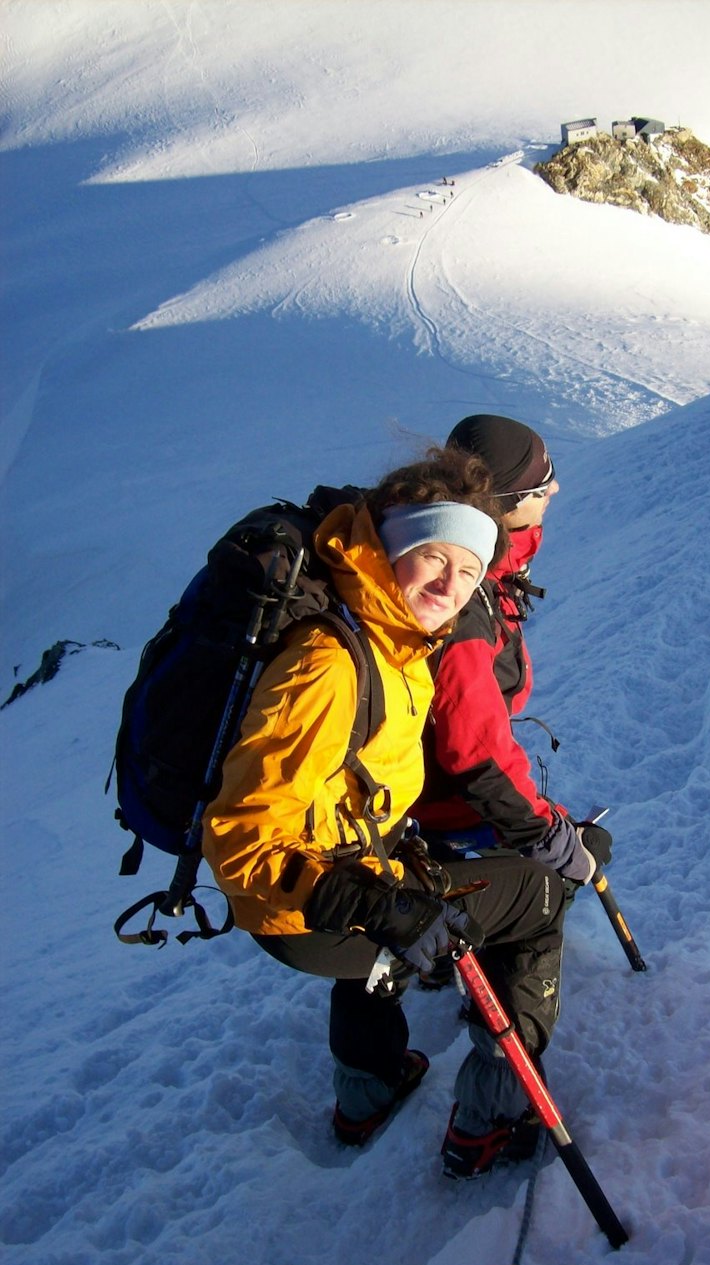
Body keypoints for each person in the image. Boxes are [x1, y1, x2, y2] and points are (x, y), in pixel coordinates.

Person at [201, 447, 568, 1178]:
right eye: (435, 558)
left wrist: (389, 893)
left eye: (469, 571)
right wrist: (387, 910)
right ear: (394, 548)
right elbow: (240, 841)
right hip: (301, 908)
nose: (450, 585)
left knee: (404, 881)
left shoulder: (390, 629)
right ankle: (493, 1116)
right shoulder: (329, 665)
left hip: (341, 874)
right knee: (536, 896)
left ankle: (367, 1091)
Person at [412, 414, 613, 891]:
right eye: (541, 485)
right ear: (507, 504)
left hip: (433, 795)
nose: (556, 489)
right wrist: (550, 836)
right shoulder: (459, 598)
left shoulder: (461, 561)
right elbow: (474, 753)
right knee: (546, 889)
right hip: (437, 809)